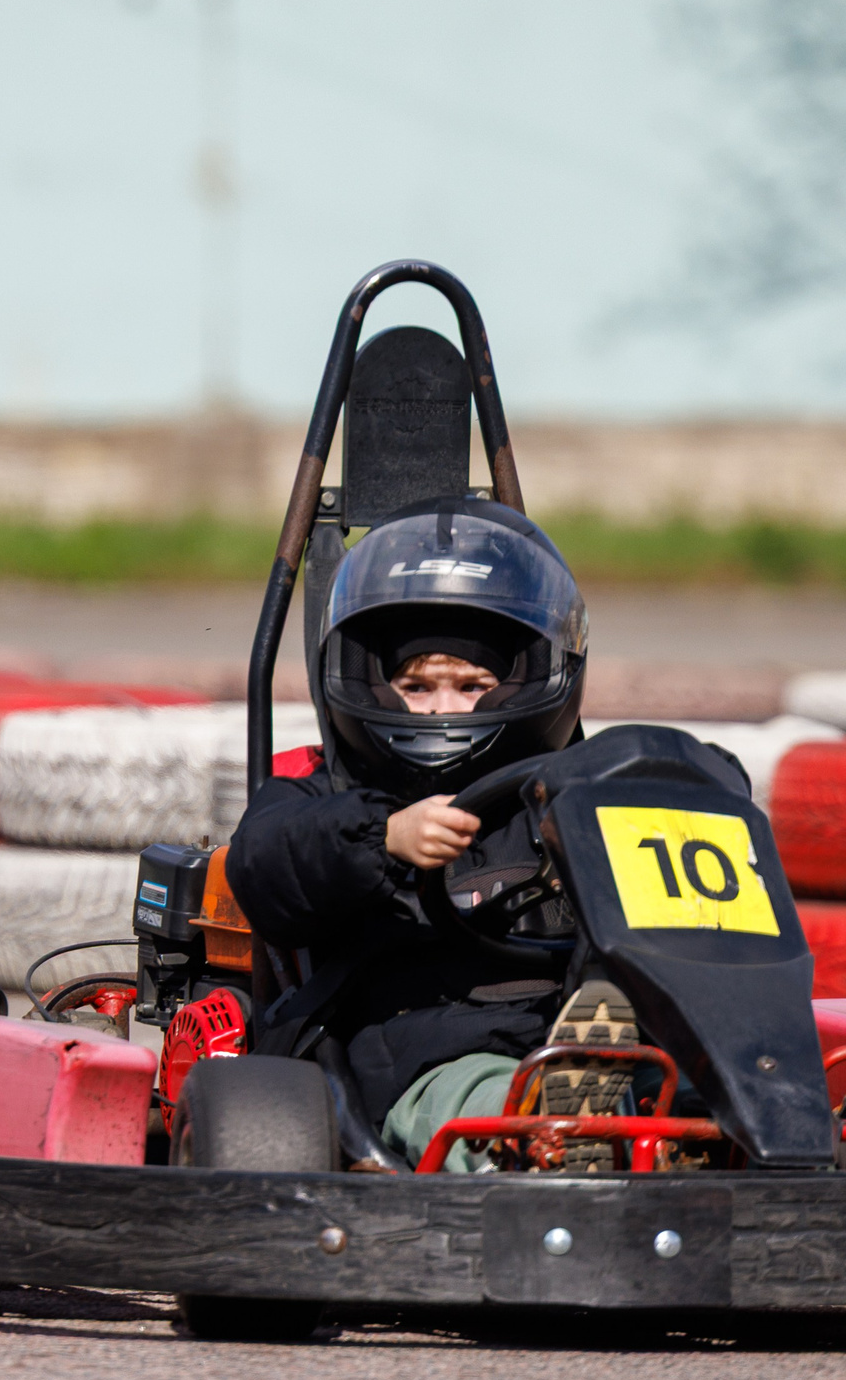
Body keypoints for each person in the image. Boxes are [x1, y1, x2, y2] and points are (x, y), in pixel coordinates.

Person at [223, 496, 640, 1172]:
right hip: (414, 1044)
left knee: (675, 1064)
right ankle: (543, 1135)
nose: (445, 708)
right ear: (368, 684)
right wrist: (382, 838)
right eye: (417, 686)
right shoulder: (324, 797)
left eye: (473, 685)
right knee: (466, 1091)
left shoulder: (570, 796)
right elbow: (266, 866)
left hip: (581, 1029)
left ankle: (818, 1132)